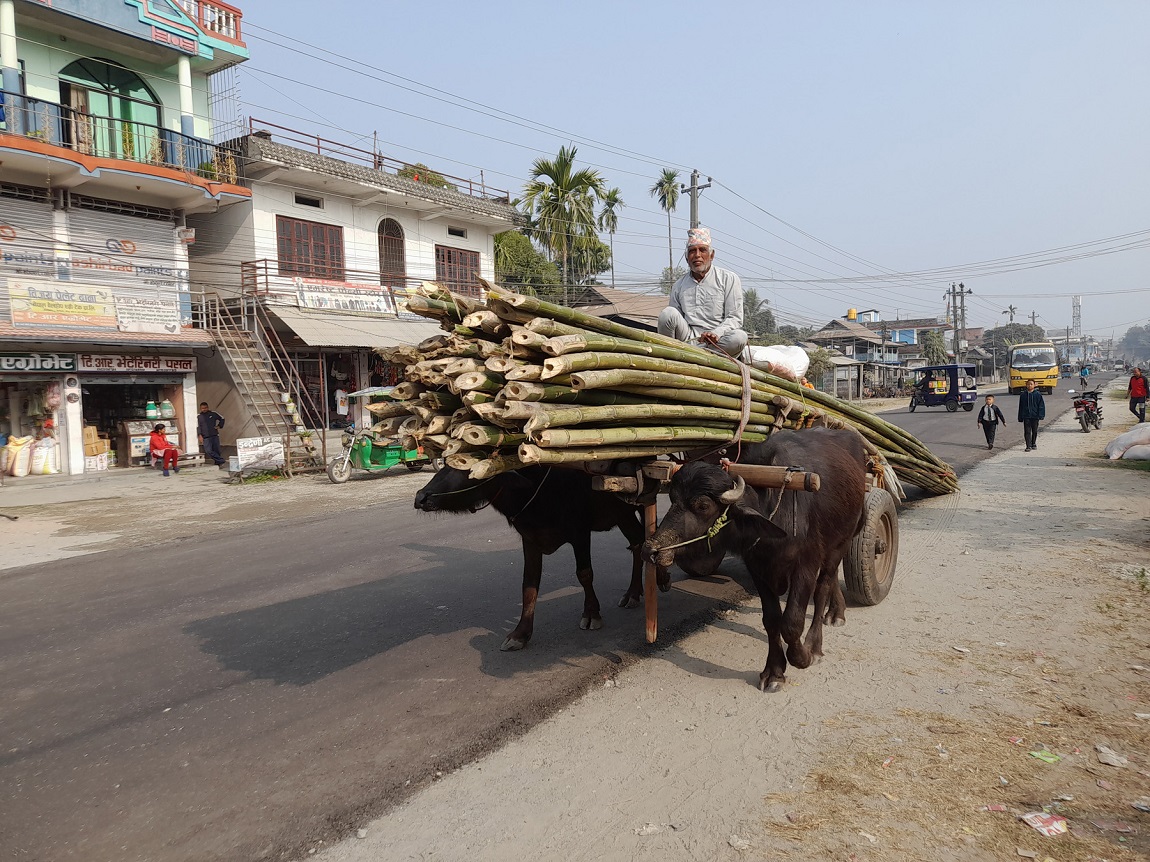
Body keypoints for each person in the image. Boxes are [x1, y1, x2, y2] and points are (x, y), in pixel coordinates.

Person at [657, 227, 748, 359]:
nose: (697, 255)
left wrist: (716, 333)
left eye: (702, 250)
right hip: (688, 340)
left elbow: (735, 318)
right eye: (692, 251)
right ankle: (671, 356)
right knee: (668, 313)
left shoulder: (728, 279)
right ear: (687, 258)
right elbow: (674, 320)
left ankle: (696, 357)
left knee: (740, 337)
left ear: (712, 255)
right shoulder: (679, 285)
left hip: (717, 343)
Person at [1017, 378, 1046, 451]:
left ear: (1034, 385)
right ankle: (1028, 445)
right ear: (1026, 385)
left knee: (1034, 431)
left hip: (1035, 416)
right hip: (1026, 416)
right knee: (1027, 431)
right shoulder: (1023, 395)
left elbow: (1041, 405)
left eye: (1031, 384)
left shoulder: (1038, 394)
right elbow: (1021, 406)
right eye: (1028, 384)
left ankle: (1033, 443)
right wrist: (1020, 416)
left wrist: (1041, 415)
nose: (1029, 385)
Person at [197, 401, 227, 468]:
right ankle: (221, 460)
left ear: (208, 407)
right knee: (208, 451)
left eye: (205, 408)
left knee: (216, 450)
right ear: (200, 409)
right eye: (202, 408)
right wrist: (199, 435)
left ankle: (218, 463)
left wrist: (219, 426)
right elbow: (198, 426)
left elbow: (222, 418)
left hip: (214, 435)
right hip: (205, 437)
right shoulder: (199, 416)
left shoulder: (213, 414)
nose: (204, 409)